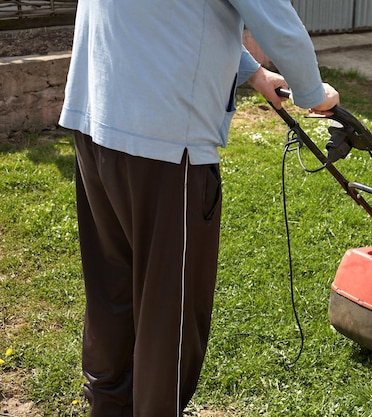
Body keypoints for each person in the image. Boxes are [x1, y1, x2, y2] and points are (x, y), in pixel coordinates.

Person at [58, 0, 340, 416]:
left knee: (111, 287)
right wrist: (314, 93)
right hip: (166, 146)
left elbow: (174, 17)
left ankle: (108, 404)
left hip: (95, 119)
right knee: (169, 309)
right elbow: (280, 27)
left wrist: (255, 74)